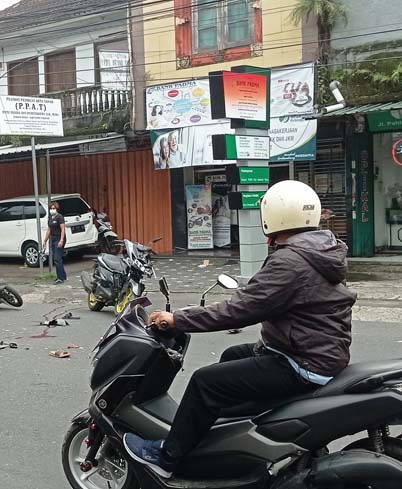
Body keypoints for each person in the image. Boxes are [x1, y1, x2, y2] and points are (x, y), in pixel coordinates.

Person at [123, 180, 356, 479]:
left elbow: (240, 311)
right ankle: (228, 438)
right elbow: (271, 297)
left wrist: (177, 319)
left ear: (274, 216)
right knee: (233, 355)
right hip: (315, 351)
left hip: (302, 361)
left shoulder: (291, 260)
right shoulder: (323, 249)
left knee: (205, 382)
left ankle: (168, 457)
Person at [43, 201, 66, 284]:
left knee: (57, 258)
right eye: (51, 208)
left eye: (54, 208)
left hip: (59, 238)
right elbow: (49, 230)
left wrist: (61, 240)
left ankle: (60, 278)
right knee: (56, 258)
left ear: (56, 209)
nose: (52, 210)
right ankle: (63, 275)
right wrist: (45, 240)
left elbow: (63, 229)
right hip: (53, 238)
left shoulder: (59, 217)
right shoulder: (50, 218)